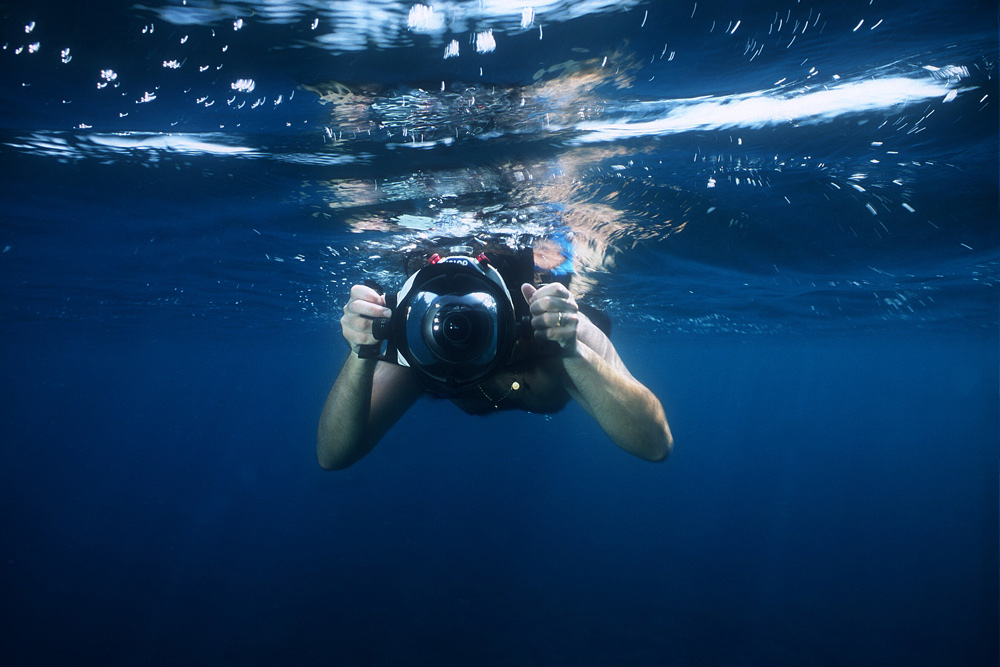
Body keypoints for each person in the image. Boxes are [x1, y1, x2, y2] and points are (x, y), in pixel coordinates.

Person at [317, 249, 672, 470]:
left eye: (477, 302)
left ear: (509, 301)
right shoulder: (413, 341)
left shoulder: (549, 327)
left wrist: (571, 350)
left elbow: (655, 444)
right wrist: (361, 350)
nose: (456, 321)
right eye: (439, 304)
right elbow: (332, 455)